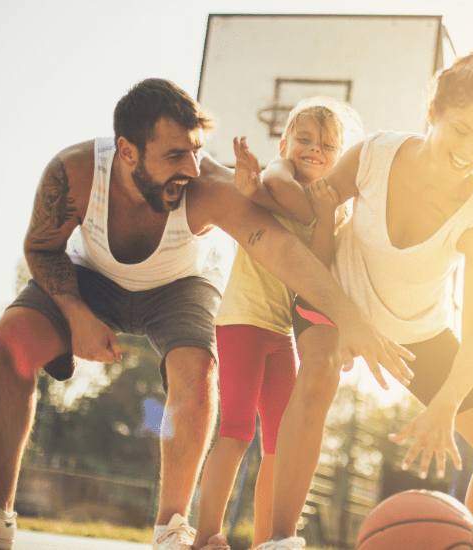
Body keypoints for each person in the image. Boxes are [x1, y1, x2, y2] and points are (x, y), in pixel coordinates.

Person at [0, 79, 411, 550]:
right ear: (127, 151)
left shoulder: (208, 185)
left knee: (196, 368)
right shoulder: (75, 172)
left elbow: (282, 249)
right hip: (91, 279)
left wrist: (354, 320)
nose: (193, 167)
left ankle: (173, 529)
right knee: (14, 337)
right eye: (176, 155)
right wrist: (74, 313)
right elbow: (41, 246)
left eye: (196, 150)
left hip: (179, 287)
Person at [244, 53, 473, 550]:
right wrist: (268, 172)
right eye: (461, 130)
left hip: (416, 332)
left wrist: (445, 405)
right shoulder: (373, 153)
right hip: (335, 296)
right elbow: (311, 206)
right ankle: (279, 541)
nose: (471, 151)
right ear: (433, 112)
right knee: (319, 372)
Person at [193, 97, 361, 550]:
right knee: (236, 430)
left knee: (280, 444)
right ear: (285, 143)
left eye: (328, 145)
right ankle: (206, 536)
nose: (314, 148)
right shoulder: (277, 175)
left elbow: (317, 267)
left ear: (340, 155)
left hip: (280, 333)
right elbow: (277, 186)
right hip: (243, 321)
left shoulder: (327, 205)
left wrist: (327, 215)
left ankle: (270, 539)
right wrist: (255, 190)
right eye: (304, 139)